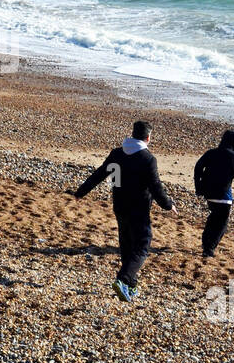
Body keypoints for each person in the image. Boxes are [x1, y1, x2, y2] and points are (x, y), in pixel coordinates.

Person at [72, 120, 177, 302]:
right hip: (138, 209)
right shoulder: (147, 159)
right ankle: (123, 279)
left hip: (119, 206)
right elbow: (156, 187)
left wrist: (82, 191)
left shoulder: (117, 153)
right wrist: (169, 205)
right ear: (148, 138)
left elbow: (100, 173)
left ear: (133, 134)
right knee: (143, 246)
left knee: (127, 245)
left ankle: (130, 285)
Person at [193, 130, 234, 258]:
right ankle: (209, 248)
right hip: (223, 196)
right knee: (222, 223)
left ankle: (206, 244)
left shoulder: (211, 153)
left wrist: (198, 186)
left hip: (209, 193)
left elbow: (198, 167)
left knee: (213, 217)